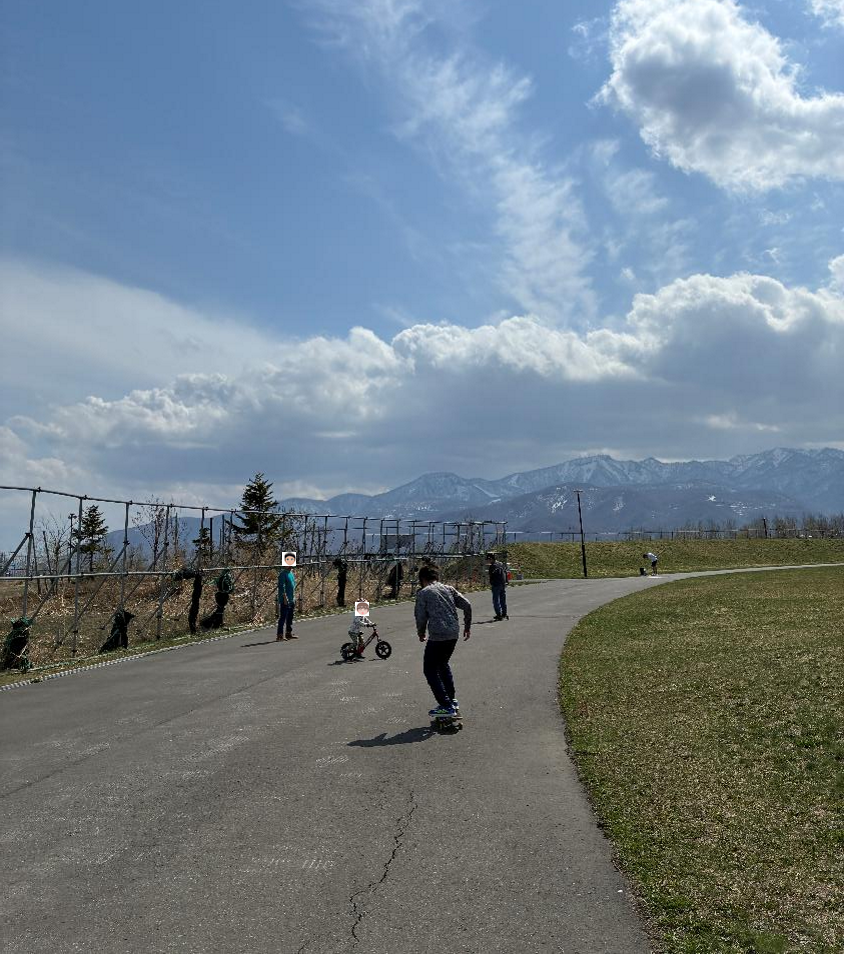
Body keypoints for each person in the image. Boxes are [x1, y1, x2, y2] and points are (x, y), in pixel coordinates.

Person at [414, 564, 471, 718]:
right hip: (453, 633)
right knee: (442, 665)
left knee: (430, 669)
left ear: (422, 579)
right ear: (436, 577)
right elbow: (467, 605)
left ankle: (446, 705)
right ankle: (451, 700)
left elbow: (421, 616)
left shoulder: (423, 593)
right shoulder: (449, 589)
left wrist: (421, 633)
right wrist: (467, 626)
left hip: (438, 635)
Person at [485, 552, 509, 620]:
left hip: (496, 584)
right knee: (502, 600)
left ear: (491, 559)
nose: (488, 561)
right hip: (503, 584)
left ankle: (499, 614)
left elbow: (491, 576)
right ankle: (504, 613)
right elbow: (506, 572)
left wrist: (491, 583)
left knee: (496, 600)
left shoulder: (492, 566)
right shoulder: (501, 564)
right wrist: (506, 582)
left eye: (488, 559)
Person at [276, 564, 297, 640]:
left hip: (292, 598)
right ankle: (280, 635)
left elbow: (293, 586)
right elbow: (281, 587)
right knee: (283, 617)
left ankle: (288, 633)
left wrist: (294, 597)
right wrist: (285, 597)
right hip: (285, 599)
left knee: (290, 617)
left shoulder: (291, 573)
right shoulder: (282, 574)